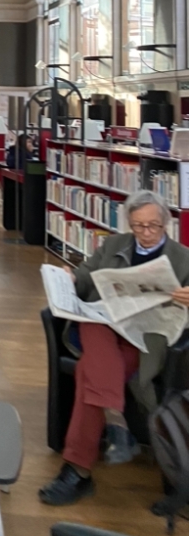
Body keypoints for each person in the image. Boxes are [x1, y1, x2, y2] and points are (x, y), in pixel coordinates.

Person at [39, 191, 189, 507]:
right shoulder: (113, 245)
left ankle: (78, 470)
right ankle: (115, 424)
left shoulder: (183, 258)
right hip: (104, 326)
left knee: (88, 371)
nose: (146, 233)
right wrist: (68, 278)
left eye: (153, 226)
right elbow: (84, 276)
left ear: (166, 224)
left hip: (144, 337)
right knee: (93, 323)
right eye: (138, 226)